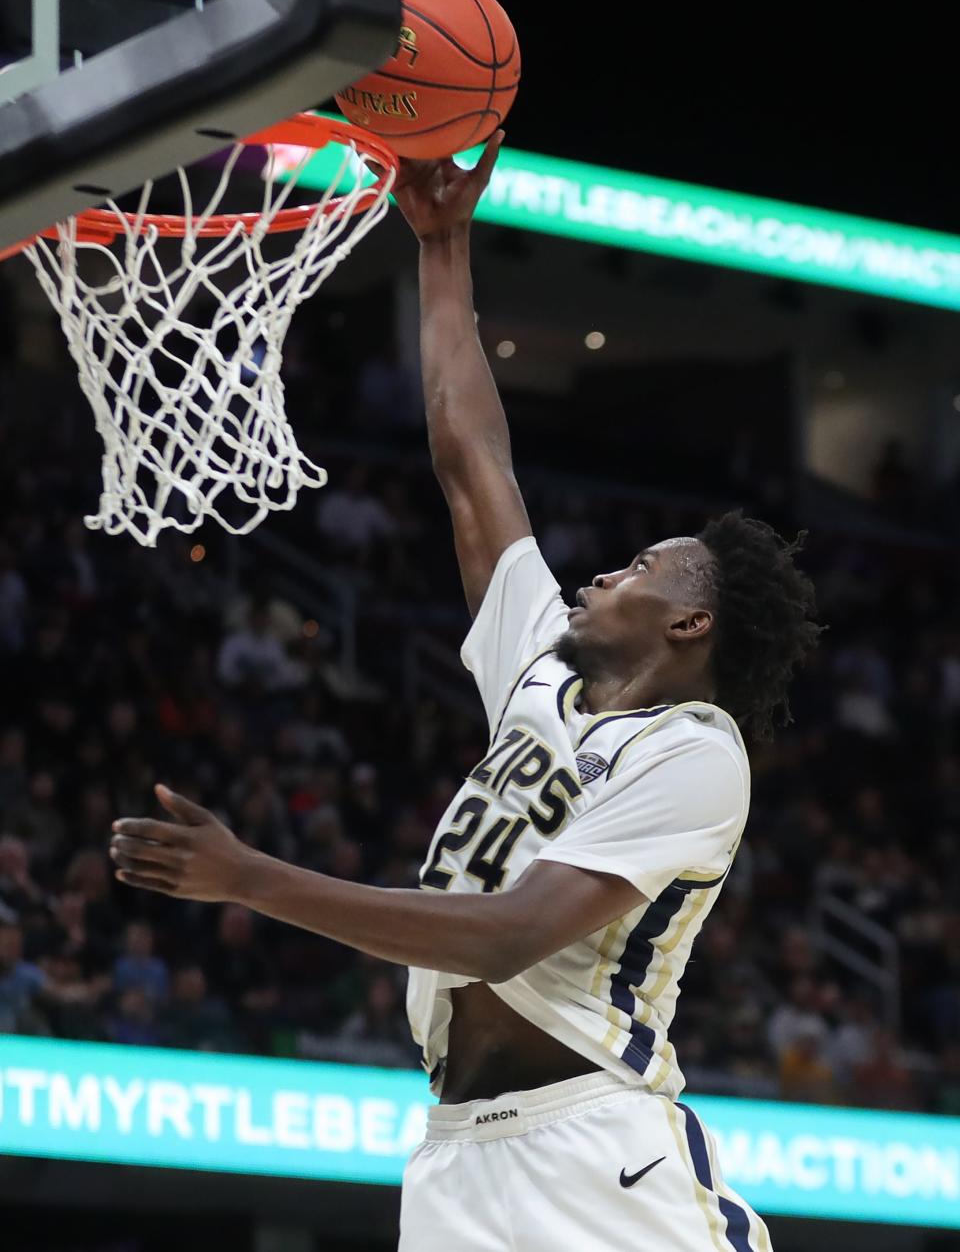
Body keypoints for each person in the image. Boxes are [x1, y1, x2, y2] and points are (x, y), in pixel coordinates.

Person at [109, 134, 820, 1251]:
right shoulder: (538, 663)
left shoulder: (695, 749)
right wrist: (444, 246)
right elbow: (470, 457)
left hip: (596, 1151)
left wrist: (250, 875)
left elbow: (506, 936)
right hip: (450, 1157)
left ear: (693, 623)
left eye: (640, 568)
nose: (600, 572)